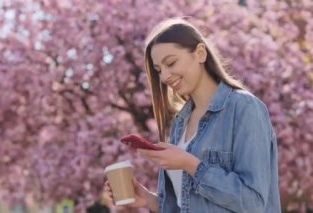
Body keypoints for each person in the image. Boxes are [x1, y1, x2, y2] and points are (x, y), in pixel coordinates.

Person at [104, 17, 281, 213]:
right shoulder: (181, 122)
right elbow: (186, 205)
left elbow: (253, 202)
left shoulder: (244, 107)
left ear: (200, 53)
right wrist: (147, 199)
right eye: (158, 70)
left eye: (171, 62)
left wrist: (191, 165)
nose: (164, 77)